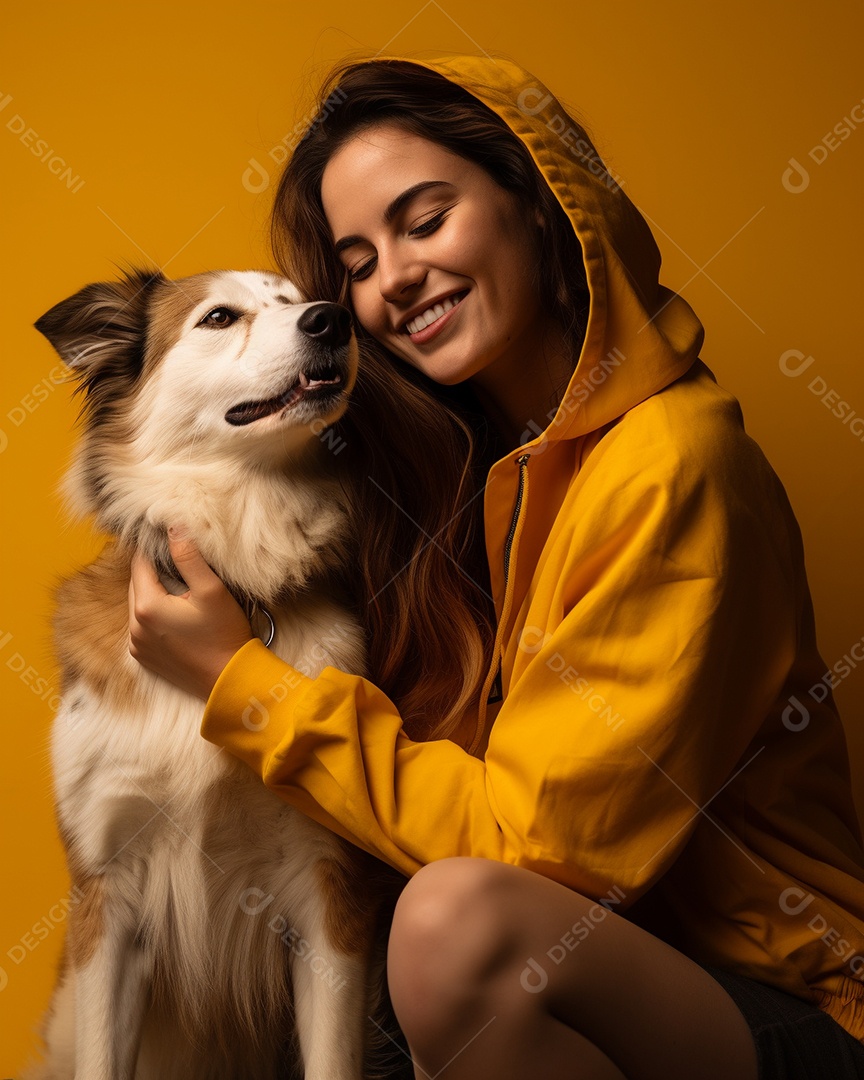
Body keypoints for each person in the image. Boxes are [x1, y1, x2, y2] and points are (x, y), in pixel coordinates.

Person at [128, 52, 864, 1079]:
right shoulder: (461, 470)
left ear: (538, 202)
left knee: (453, 925)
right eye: (358, 262)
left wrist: (242, 686)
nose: (394, 278)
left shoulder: (674, 465)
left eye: (425, 222)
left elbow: (541, 851)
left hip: (781, 1000)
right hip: (580, 984)